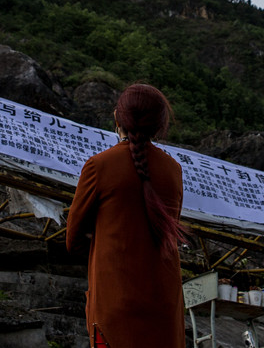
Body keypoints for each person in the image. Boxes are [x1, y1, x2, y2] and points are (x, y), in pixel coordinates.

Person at [66, 83, 187, 348]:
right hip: (164, 309)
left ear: (117, 117)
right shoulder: (173, 171)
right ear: (159, 125)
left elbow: (73, 239)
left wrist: (101, 238)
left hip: (115, 304)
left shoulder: (99, 165)